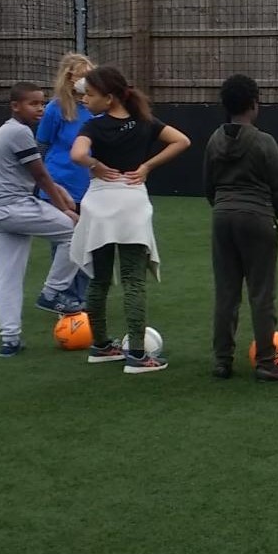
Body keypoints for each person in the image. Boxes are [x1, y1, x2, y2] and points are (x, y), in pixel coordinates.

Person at [69, 66, 190, 375]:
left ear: (109, 99)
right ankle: (137, 355)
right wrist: (147, 167)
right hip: (132, 203)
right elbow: (182, 141)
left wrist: (95, 164)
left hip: (99, 204)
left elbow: (77, 154)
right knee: (134, 280)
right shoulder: (145, 123)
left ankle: (101, 346)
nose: (85, 100)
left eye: (90, 95)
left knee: (99, 279)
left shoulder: (93, 128)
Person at [0, 83, 84, 357]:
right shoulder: (19, 132)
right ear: (15, 106)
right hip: (10, 208)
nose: (40, 108)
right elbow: (41, 176)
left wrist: (60, 193)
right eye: (33, 104)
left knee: (8, 275)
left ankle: (10, 340)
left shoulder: (7, 130)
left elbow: (34, 174)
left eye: (42, 103)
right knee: (76, 230)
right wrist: (64, 209)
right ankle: (53, 292)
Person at [204, 73, 278, 382]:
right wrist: (270, 216)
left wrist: (222, 208)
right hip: (257, 218)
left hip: (222, 216)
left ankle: (222, 360)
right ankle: (266, 362)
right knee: (262, 293)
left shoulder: (214, 139)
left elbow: (208, 185)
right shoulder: (264, 142)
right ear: (254, 104)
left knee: (226, 293)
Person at [36, 52, 95, 305]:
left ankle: (80, 295)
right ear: (69, 78)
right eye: (82, 77)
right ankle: (64, 294)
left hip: (89, 185)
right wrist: (46, 184)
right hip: (61, 185)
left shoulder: (94, 108)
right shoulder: (55, 109)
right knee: (66, 241)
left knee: (88, 243)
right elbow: (42, 145)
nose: (86, 83)